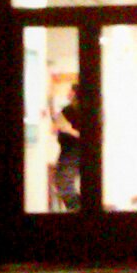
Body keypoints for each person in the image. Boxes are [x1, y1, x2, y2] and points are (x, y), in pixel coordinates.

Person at [52, 81, 82, 211]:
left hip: (72, 152)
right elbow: (58, 125)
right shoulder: (68, 109)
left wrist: (69, 130)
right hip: (67, 150)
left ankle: (77, 209)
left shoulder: (84, 111)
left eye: (71, 91)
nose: (68, 93)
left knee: (63, 184)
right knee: (62, 182)